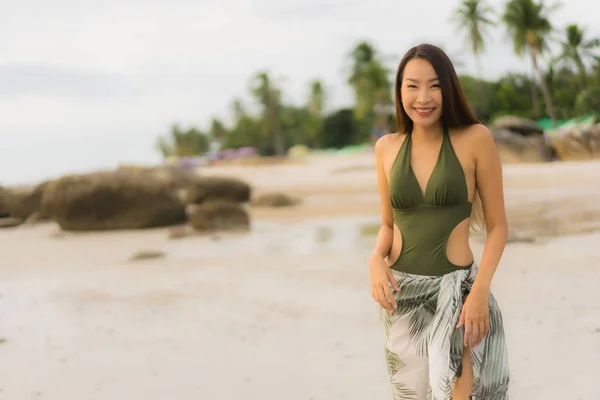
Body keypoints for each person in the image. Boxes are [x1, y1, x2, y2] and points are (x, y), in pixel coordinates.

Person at [369, 43, 510, 400]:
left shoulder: (476, 139)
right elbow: (388, 224)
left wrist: (478, 293)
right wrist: (374, 261)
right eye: (412, 85)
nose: (423, 97)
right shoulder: (386, 147)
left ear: (448, 89)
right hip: (401, 298)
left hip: (460, 298)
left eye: (434, 85)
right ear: (399, 90)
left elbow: (498, 228)